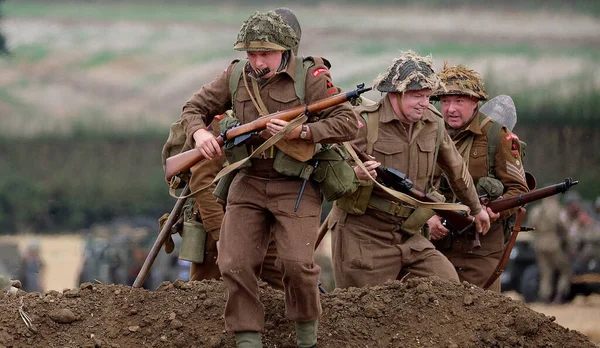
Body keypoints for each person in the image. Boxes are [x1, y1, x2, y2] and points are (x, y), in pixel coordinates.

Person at [180, 10, 359, 348]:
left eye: (265, 53)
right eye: (251, 53)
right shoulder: (235, 77)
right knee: (233, 262)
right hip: (247, 181)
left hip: (295, 184)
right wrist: (199, 134)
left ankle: (306, 336)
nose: (257, 61)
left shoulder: (312, 78)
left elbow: (347, 123)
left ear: (285, 50)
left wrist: (304, 131)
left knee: (296, 264)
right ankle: (248, 338)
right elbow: (193, 108)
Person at [328, 51, 490, 289]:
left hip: (409, 231)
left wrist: (476, 209)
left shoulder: (433, 123)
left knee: (447, 288)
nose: (424, 103)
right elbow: (326, 172)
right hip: (363, 235)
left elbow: (457, 170)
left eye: (427, 96)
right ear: (395, 94)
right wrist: (355, 175)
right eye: (417, 96)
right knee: (367, 312)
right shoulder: (361, 122)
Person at [182, 8, 302, 289]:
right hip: (219, 221)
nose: (261, 60)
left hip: (268, 220)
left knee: (280, 294)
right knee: (208, 300)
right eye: (255, 51)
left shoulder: (300, 88)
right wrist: (222, 236)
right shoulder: (234, 101)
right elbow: (202, 177)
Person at [427, 63, 530, 292]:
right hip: (436, 246)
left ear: (475, 102)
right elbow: (417, 185)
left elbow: (519, 190)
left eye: (459, 101)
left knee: (483, 316)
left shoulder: (498, 136)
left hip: (481, 250)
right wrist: (428, 218)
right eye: (445, 101)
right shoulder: (430, 133)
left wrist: (496, 211)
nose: (451, 108)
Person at [528, 195, 573, 303]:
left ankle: (545, 296)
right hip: (553, 243)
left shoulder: (536, 210)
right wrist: (568, 242)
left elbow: (531, 226)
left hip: (539, 243)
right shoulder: (557, 209)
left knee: (545, 272)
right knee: (565, 269)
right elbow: (562, 226)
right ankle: (560, 295)